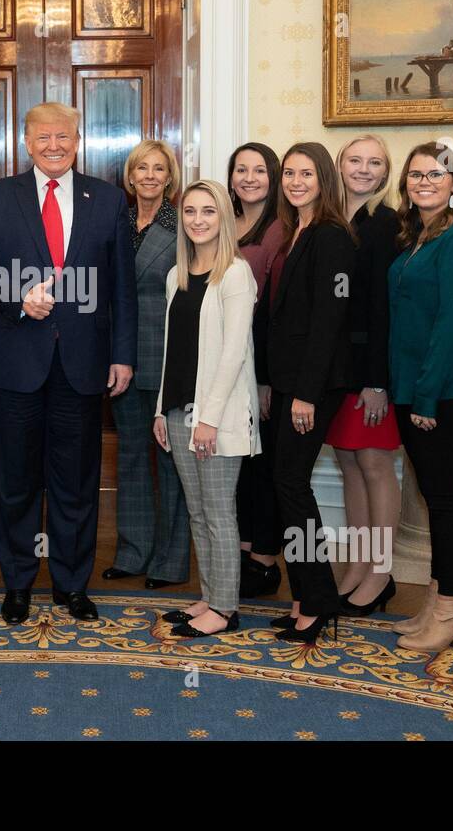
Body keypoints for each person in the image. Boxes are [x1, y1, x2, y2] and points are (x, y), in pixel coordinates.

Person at [0, 102, 137, 625]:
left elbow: (122, 289)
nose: (54, 145)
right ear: (26, 141)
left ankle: (70, 585)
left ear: (77, 140)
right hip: (18, 361)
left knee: (76, 482)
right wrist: (18, 295)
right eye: (44, 137)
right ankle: (17, 584)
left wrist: (123, 356)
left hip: (83, 365)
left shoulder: (107, 200)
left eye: (64, 137)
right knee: (15, 480)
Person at [388, 142, 453, 653]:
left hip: (448, 394)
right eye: (415, 174)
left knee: (447, 502)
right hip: (419, 389)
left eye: (435, 174)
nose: (424, 182)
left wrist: (426, 398)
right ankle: (442, 602)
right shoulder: (421, 235)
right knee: (438, 499)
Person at [253, 142, 356, 645]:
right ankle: (305, 598)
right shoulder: (293, 231)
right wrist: (274, 381)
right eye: (289, 173)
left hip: (311, 386)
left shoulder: (332, 237)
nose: (295, 181)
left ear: (325, 180)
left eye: (307, 173)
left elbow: (328, 323)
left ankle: (318, 602)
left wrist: (306, 395)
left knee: (292, 485)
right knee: (285, 485)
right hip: (288, 381)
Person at [153, 180, 260, 637]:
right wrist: (160, 409)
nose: (198, 220)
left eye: (209, 212)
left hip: (215, 417)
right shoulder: (175, 276)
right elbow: (171, 351)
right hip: (177, 411)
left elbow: (234, 353)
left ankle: (226, 608)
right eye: (191, 211)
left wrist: (209, 419)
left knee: (219, 513)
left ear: (224, 219)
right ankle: (209, 596)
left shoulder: (235, 273)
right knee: (197, 512)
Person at [102, 139, 190, 590]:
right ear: (130, 177)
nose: (151, 176)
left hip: (169, 356)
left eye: (159, 169)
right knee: (133, 457)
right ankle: (133, 553)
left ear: (169, 178)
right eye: (143, 169)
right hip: (122, 358)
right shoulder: (114, 220)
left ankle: (170, 563)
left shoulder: (183, 226)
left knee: (171, 461)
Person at [327, 135, 401, 616]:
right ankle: (356, 566)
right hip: (335, 369)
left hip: (370, 370)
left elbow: (384, 307)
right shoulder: (331, 218)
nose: (363, 169)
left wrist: (377, 382)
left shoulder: (387, 224)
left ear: (385, 172)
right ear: (339, 165)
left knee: (374, 466)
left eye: (374, 163)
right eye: (355, 160)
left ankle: (381, 572)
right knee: (349, 466)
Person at [229, 142, 285, 597]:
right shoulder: (224, 221)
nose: (250, 178)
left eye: (260, 170)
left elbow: (274, 308)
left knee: (266, 464)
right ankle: (246, 553)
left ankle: (266, 561)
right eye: (241, 170)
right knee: (243, 462)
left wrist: (265, 377)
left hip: (263, 358)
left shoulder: (281, 228)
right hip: (229, 357)